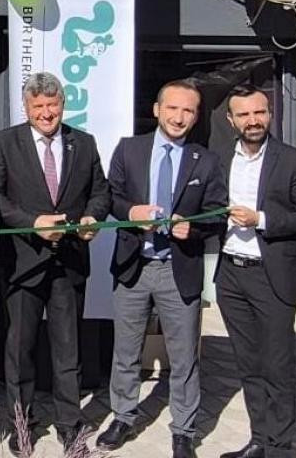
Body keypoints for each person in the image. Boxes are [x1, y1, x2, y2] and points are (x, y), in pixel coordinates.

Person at [97, 80, 228, 458]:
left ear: (196, 116)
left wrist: (195, 229)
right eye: (172, 108)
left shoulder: (207, 160)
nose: (179, 117)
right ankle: (123, 416)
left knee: (184, 356)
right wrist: (131, 212)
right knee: (126, 350)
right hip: (134, 266)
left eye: (188, 110)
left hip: (178, 269)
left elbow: (217, 214)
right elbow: (110, 197)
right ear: (157, 110)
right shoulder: (129, 149)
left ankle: (183, 430)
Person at [0, 72, 111, 454]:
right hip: (22, 261)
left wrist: (92, 218)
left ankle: (69, 424)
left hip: (69, 262)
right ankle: (22, 425)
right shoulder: (3, 143)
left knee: (68, 350)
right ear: (26, 107)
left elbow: (100, 192)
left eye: (52, 105)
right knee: (19, 350)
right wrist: (33, 223)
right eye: (38, 106)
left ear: (62, 104)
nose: (46, 113)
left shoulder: (83, 143)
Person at [215, 84, 296, 458]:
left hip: (271, 276)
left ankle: (279, 448)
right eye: (244, 114)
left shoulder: (294, 161)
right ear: (231, 120)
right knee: (248, 364)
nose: (253, 120)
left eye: (259, 112)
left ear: (270, 114)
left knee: (277, 366)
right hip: (231, 275)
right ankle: (259, 440)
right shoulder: (219, 159)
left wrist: (260, 219)